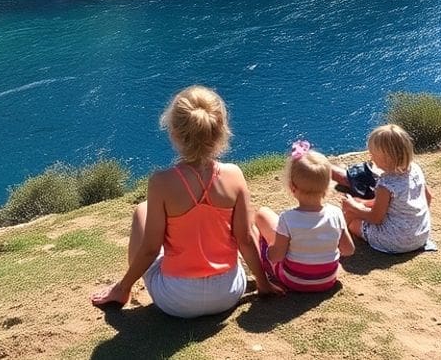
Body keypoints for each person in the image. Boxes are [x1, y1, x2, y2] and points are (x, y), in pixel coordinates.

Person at [90, 86, 282, 317]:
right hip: (228, 293)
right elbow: (246, 239)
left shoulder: (161, 182)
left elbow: (151, 248)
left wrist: (123, 286)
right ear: (220, 130)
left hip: (176, 300)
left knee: (142, 210)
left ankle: (123, 293)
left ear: (174, 132)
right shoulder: (234, 175)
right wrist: (263, 283)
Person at [252, 141, 355, 292]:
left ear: (293, 188)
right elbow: (348, 250)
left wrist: (268, 250)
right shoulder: (336, 213)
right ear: (327, 187)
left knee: (263, 214)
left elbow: (276, 257)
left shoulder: (287, 218)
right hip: (328, 279)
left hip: (293, 280)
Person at [340, 124, 432, 254]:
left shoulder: (386, 184)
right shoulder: (415, 169)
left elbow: (376, 218)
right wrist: (363, 203)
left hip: (395, 242)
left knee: (352, 217)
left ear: (387, 158)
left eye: (373, 154)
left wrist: (354, 207)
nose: (370, 157)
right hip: (421, 235)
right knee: (358, 205)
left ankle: (339, 242)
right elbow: (428, 197)